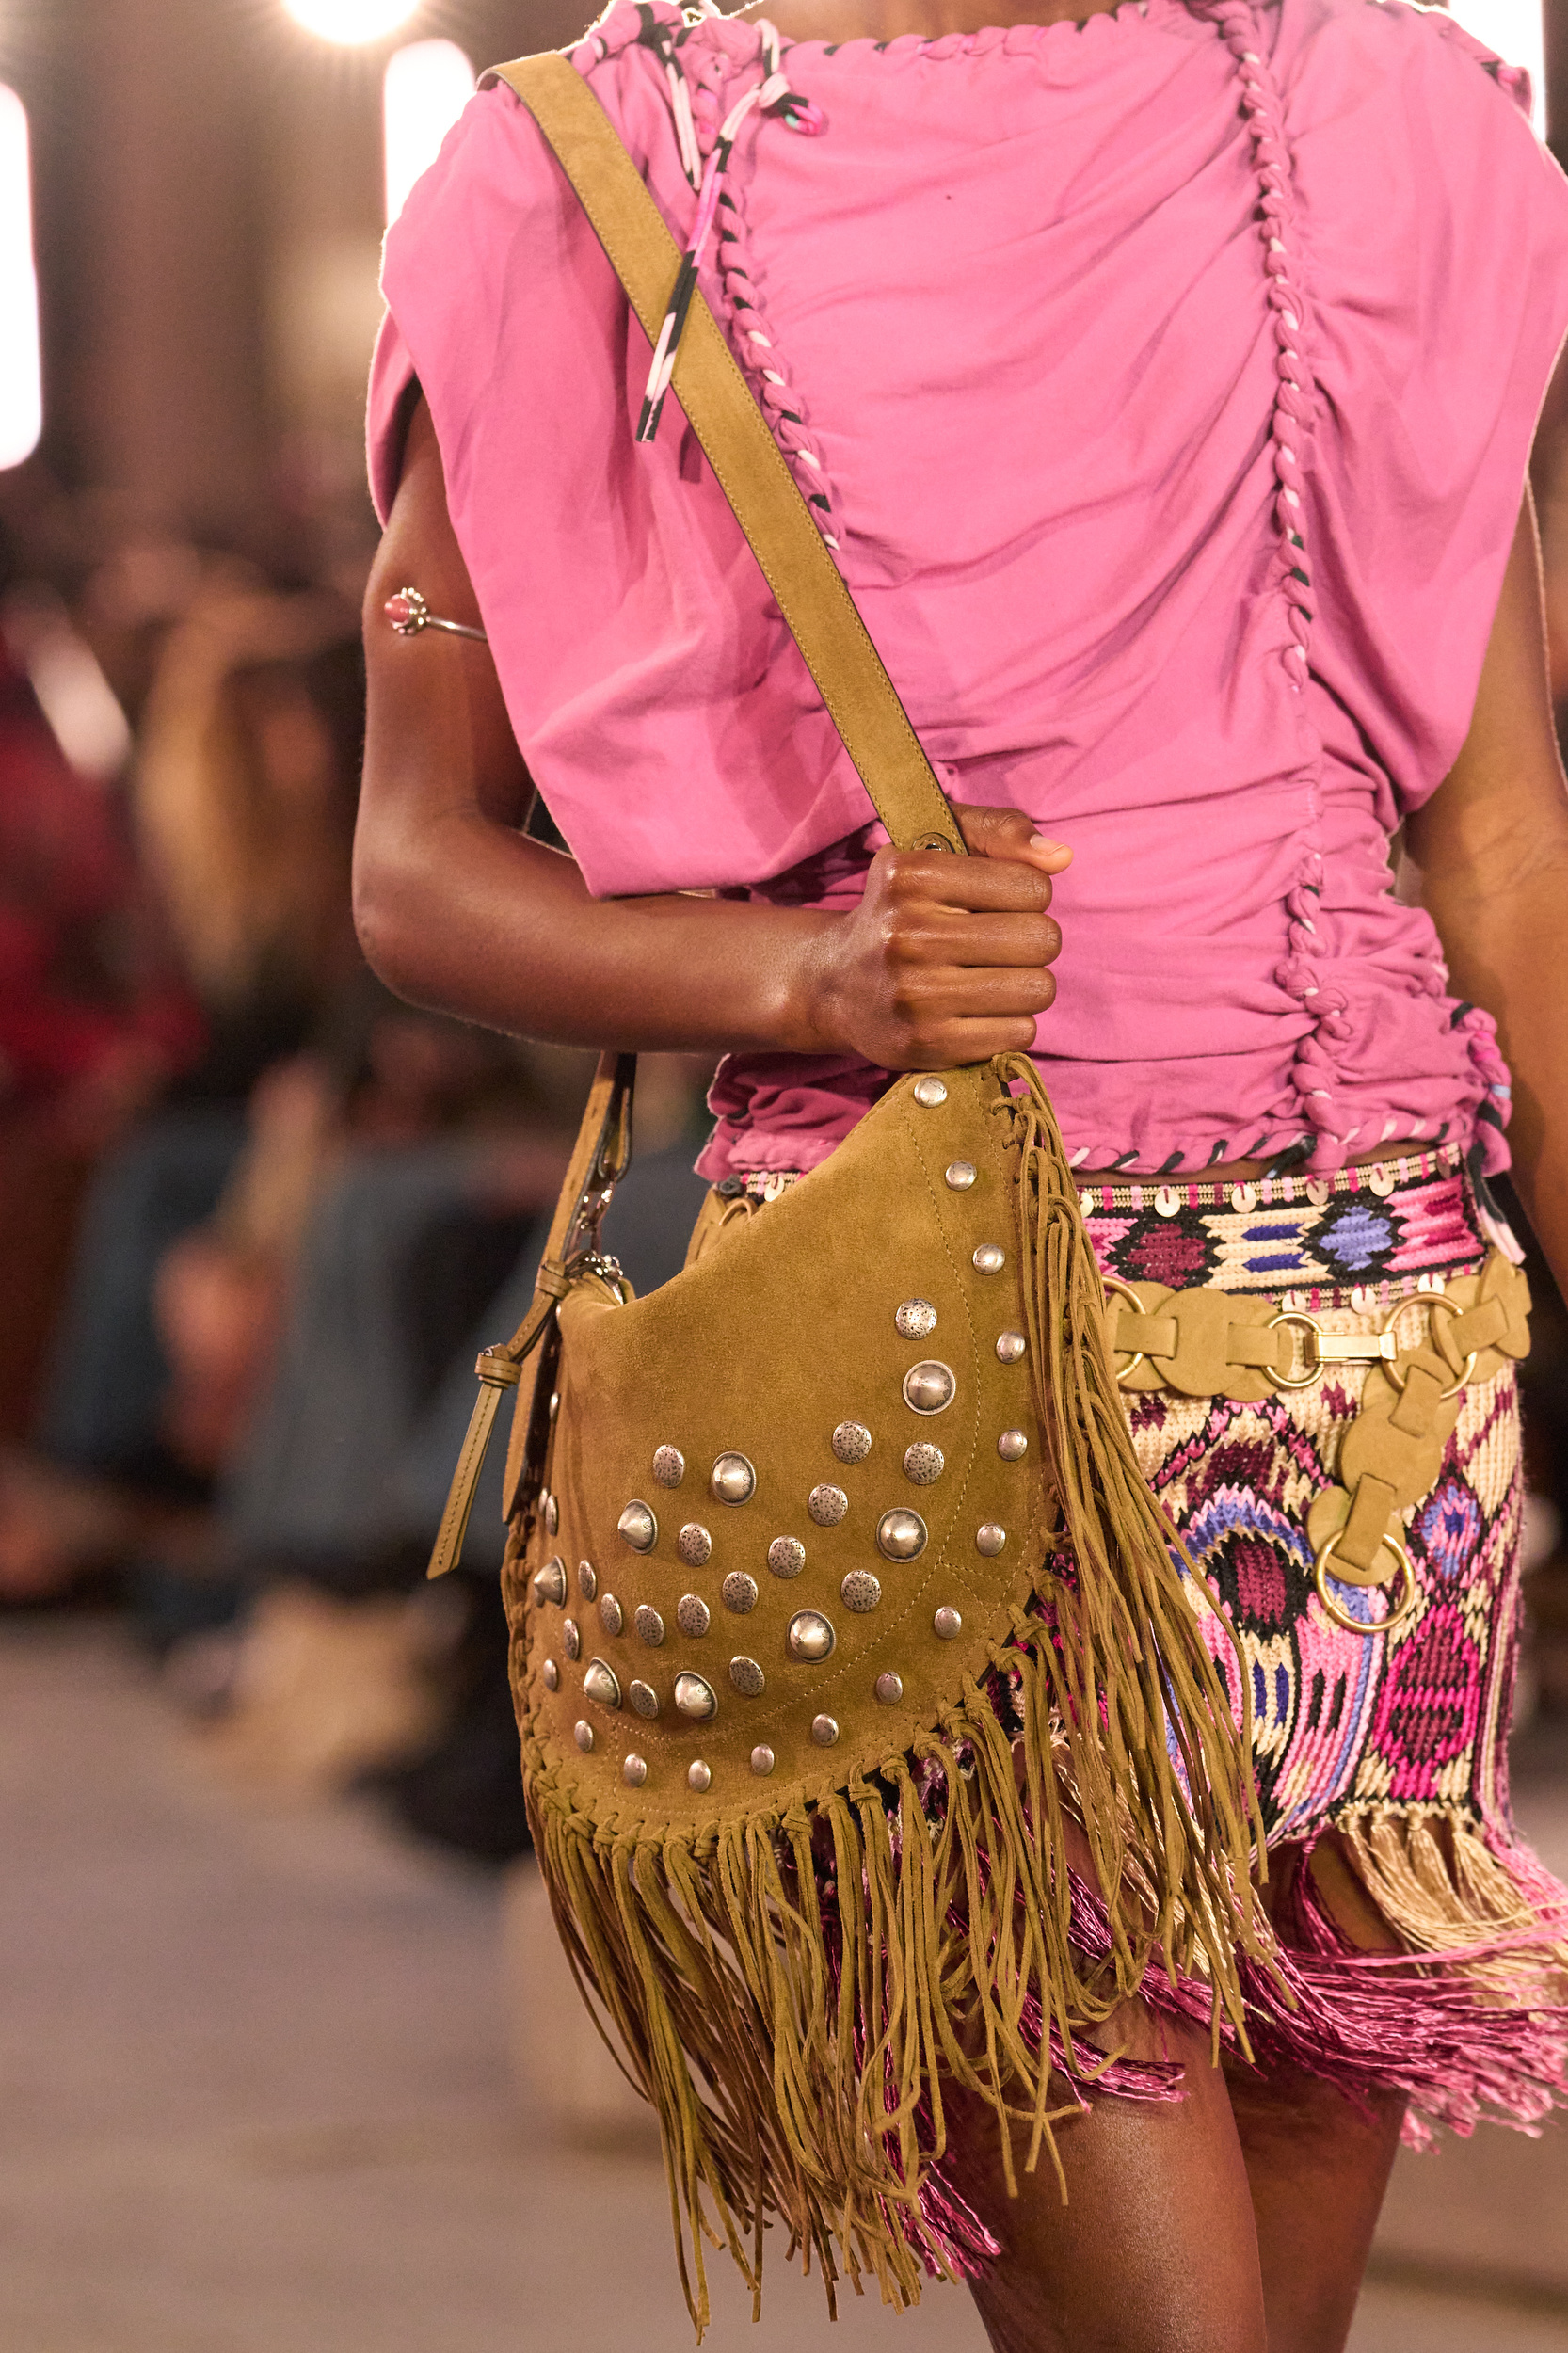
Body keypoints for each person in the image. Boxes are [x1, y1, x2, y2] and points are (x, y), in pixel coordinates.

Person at [352, 0, 1568, 2344]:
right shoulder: (575, 181)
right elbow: (410, 872)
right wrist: (810, 983)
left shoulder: (1366, 105)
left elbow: (1498, 830)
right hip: (940, 1353)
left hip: (1387, 1373)